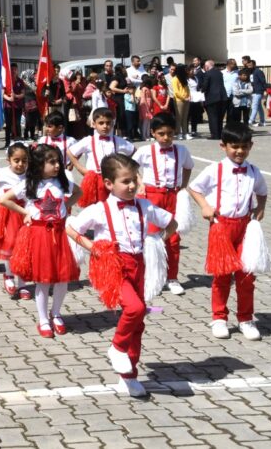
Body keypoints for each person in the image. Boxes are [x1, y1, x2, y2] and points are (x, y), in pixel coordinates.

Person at [67, 154, 177, 397]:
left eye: (134, 181)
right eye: (125, 181)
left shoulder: (144, 206)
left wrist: (156, 242)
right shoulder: (99, 210)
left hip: (138, 265)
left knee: (137, 322)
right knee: (135, 308)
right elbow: (71, 227)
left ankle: (129, 376)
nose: (132, 186)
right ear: (108, 184)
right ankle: (116, 348)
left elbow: (171, 223)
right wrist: (93, 247)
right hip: (114, 267)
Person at [188, 123, 269, 341]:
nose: (240, 151)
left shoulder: (253, 171)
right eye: (235, 146)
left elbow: (262, 191)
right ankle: (219, 317)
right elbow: (195, 188)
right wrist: (205, 206)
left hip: (245, 227)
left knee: (246, 275)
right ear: (223, 146)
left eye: (244, 147)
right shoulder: (215, 169)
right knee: (222, 275)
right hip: (221, 226)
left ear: (251, 146)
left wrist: (260, 207)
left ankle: (245, 319)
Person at [0, 144, 81, 337]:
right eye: (51, 162)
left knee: (62, 277)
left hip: (59, 234)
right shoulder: (29, 184)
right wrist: (25, 212)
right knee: (43, 280)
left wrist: (66, 206)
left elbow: (79, 192)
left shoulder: (63, 182)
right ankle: (43, 319)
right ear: (39, 164)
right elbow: (5, 199)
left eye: (57, 161)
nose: (57, 166)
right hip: (39, 235)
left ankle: (57, 313)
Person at [133, 113, 194, 295]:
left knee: (173, 239)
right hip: (152, 196)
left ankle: (172, 278)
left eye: (170, 133)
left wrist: (183, 186)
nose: (166, 138)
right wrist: (140, 183)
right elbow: (131, 166)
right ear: (153, 133)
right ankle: (152, 278)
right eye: (161, 133)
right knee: (151, 237)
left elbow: (188, 167)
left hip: (173, 196)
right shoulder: (145, 151)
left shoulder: (181, 150)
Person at [0, 142, 30, 299]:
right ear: (8, 159)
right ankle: (9, 275)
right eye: (16, 160)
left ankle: (23, 283)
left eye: (24, 160)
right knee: (8, 245)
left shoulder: (31, 175)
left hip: (24, 214)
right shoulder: (2, 173)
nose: (20, 164)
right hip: (6, 213)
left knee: (24, 248)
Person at [67, 106, 136, 207]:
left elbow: (133, 150)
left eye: (108, 123)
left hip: (113, 178)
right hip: (95, 179)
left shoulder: (117, 140)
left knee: (114, 204)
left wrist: (125, 168)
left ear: (112, 124)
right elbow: (70, 152)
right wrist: (80, 168)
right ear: (94, 124)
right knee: (96, 207)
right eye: (101, 123)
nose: (105, 126)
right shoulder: (88, 140)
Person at [199, 60, 229, 140]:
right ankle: (219, 134)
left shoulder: (207, 74)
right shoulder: (219, 73)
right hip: (222, 97)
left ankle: (214, 135)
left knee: (213, 117)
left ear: (207, 66)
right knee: (220, 117)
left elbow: (205, 86)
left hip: (212, 98)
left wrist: (201, 89)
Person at [170, 64, 191, 140]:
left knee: (185, 118)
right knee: (179, 117)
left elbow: (187, 89)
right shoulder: (175, 79)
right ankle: (178, 133)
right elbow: (176, 92)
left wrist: (189, 96)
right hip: (179, 100)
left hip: (186, 99)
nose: (186, 70)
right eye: (184, 69)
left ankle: (185, 133)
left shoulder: (184, 78)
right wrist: (183, 98)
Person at [247, 60, 267, 127]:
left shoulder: (258, 71)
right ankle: (262, 121)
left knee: (254, 106)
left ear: (254, 65)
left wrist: (264, 90)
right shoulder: (250, 72)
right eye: (248, 65)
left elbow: (263, 81)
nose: (249, 67)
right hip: (252, 91)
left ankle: (250, 120)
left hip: (258, 91)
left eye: (250, 65)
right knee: (259, 107)